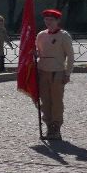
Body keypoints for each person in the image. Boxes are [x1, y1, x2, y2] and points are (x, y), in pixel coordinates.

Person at [33, 8, 74, 142]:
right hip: (42, 72)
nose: (48, 22)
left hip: (57, 72)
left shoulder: (64, 36)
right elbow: (38, 52)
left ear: (57, 21)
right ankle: (49, 124)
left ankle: (56, 126)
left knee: (56, 101)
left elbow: (70, 56)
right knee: (45, 101)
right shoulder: (41, 35)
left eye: (51, 20)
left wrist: (67, 73)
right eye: (46, 20)